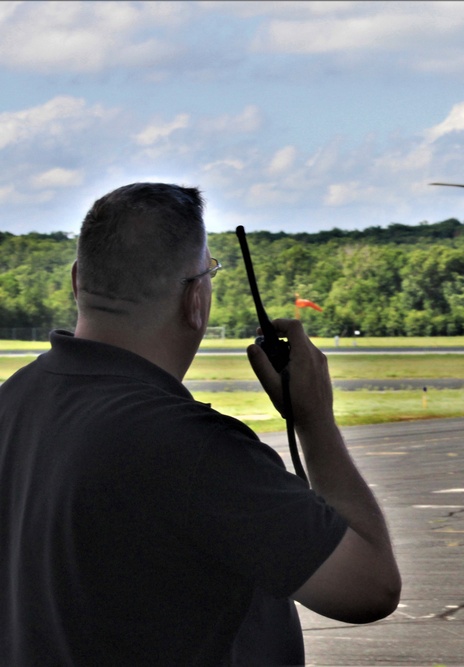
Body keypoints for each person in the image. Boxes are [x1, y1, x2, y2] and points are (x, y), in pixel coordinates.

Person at [0, 183, 401, 665]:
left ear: (77, 280)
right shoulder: (194, 448)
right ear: (195, 300)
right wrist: (316, 426)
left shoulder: (14, 400)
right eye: (207, 274)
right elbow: (369, 588)